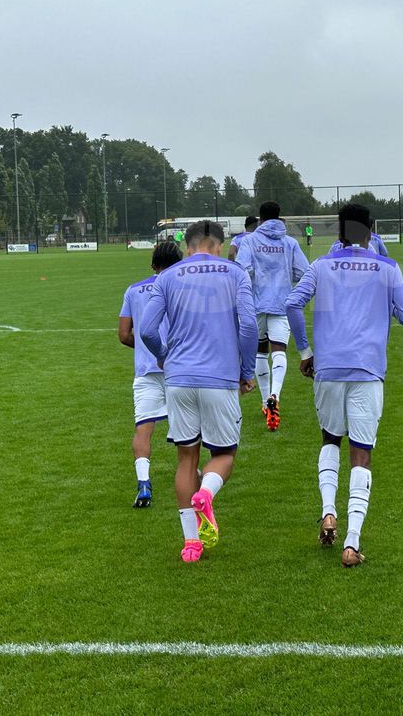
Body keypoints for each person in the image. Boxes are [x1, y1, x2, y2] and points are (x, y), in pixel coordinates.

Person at [286, 203, 403, 567]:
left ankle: (328, 512)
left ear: (340, 232)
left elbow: (292, 304)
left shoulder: (320, 266)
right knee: (362, 453)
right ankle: (352, 542)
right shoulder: (387, 268)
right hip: (367, 370)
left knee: (330, 439)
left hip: (328, 369)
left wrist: (305, 351)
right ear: (371, 231)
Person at [140, 220, 257, 563]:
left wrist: (165, 357)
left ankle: (191, 544)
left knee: (186, 458)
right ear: (218, 245)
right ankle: (206, 493)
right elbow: (248, 325)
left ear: (188, 246)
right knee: (223, 455)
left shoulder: (168, 276)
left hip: (178, 379)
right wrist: (246, 370)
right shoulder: (235, 274)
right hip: (219, 378)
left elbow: (147, 329)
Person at [118, 239, 184, 507]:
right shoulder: (184, 287)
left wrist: (144, 350)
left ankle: (144, 485)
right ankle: (195, 476)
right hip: (178, 368)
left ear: (152, 264)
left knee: (143, 430)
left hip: (146, 371)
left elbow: (124, 335)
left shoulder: (133, 290)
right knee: (185, 430)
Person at [233, 201, 309, 431]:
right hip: (282, 303)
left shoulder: (249, 240)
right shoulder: (290, 242)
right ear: (279, 217)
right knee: (279, 351)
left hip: (255, 304)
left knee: (260, 352)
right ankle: (275, 395)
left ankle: (266, 402)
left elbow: (241, 270)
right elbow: (304, 272)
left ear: (260, 219)